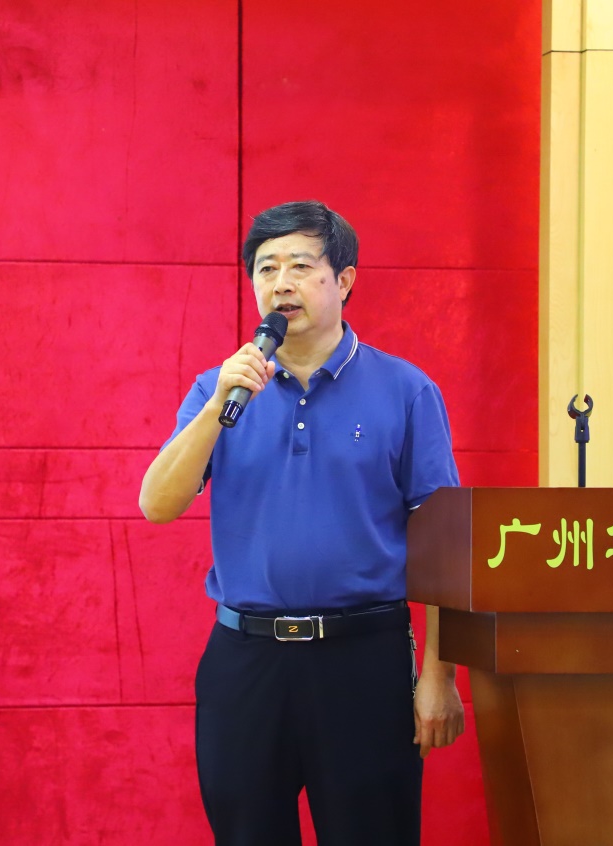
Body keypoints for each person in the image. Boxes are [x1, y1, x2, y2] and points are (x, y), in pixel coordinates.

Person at [139, 200, 465, 846]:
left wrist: (439, 675)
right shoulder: (218, 389)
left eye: (299, 265)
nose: (280, 283)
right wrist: (219, 405)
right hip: (246, 663)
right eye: (265, 269)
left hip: (363, 660)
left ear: (343, 279)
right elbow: (157, 504)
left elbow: (446, 543)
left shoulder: (406, 391)